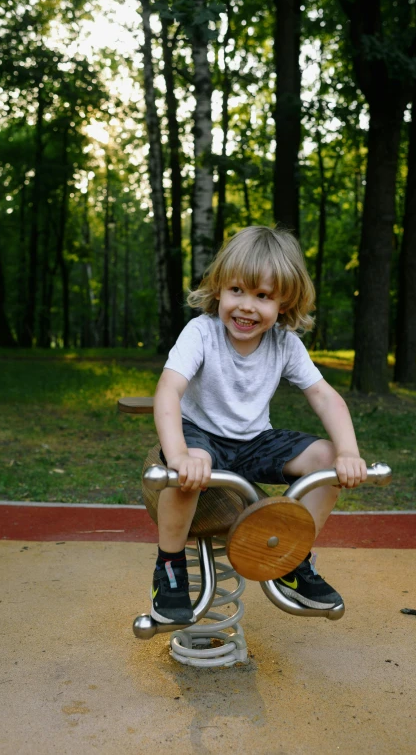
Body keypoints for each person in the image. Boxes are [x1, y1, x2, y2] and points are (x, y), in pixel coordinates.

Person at [150, 226, 367, 625]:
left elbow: (325, 397)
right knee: (190, 467)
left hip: (254, 441)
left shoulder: (285, 343)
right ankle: (169, 568)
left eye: (263, 296)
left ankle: (292, 556)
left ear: (284, 302)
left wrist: (349, 452)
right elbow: (168, 391)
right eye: (237, 291)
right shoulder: (201, 332)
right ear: (218, 290)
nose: (247, 306)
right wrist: (178, 454)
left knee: (329, 459)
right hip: (202, 434)